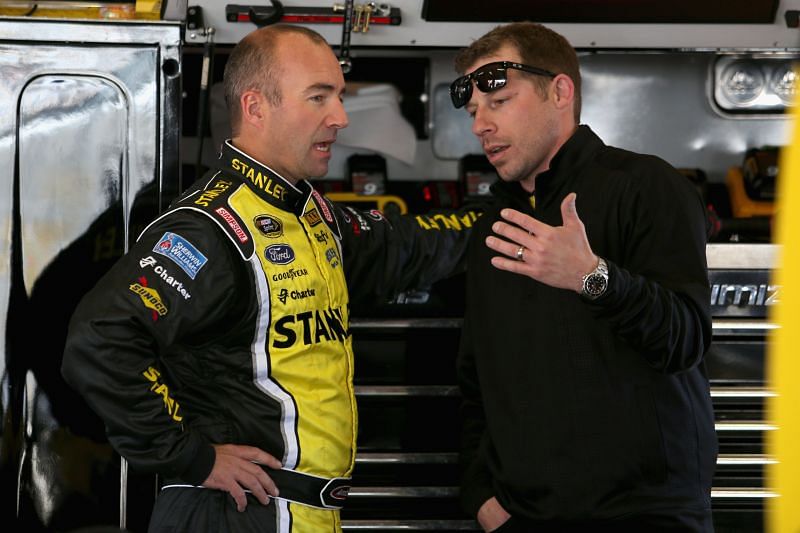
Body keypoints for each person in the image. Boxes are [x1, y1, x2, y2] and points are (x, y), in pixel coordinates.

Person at [61, 24, 477, 533]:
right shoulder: (210, 227)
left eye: (340, 97)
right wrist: (193, 457)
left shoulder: (313, 215)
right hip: (233, 512)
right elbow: (99, 338)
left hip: (300, 512)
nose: (340, 118)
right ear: (256, 108)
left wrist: (515, 216)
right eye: (318, 97)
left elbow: (408, 246)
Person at [452, 22, 717, 532]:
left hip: (645, 518)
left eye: (499, 101)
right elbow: (476, 382)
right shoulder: (494, 226)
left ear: (560, 91)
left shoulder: (646, 186)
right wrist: (482, 495)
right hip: (521, 519)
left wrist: (593, 278)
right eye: (473, 111)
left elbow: (684, 339)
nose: (479, 125)